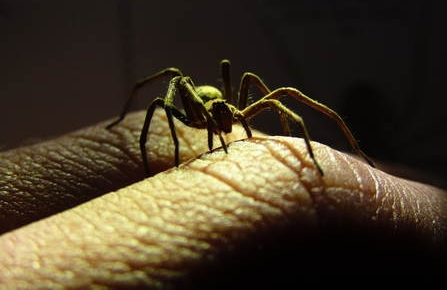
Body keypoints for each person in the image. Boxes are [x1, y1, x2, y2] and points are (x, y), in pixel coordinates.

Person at [0, 110, 446, 288]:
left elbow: (289, 104)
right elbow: (163, 99)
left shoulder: (240, 104)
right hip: (196, 107)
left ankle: (356, 152)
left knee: (286, 99)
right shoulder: (189, 107)